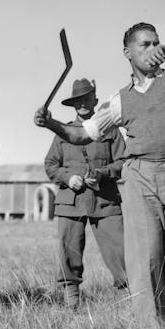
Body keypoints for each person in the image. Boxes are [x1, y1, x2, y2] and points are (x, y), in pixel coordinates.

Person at [34, 22, 165, 329]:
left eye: (156, 42)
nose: (153, 48)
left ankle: (152, 285)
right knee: (145, 258)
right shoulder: (118, 100)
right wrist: (51, 124)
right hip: (140, 175)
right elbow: (81, 135)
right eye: (145, 44)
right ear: (128, 53)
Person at [43, 78, 127, 308]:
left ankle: (127, 301)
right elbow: (50, 165)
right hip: (71, 201)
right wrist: (68, 178)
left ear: (96, 100)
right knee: (69, 250)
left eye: (87, 98)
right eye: (78, 100)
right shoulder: (63, 132)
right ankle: (72, 302)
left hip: (105, 200)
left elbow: (124, 162)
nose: (83, 103)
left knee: (120, 251)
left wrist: (102, 173)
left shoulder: (110, 130)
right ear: (73, 104)